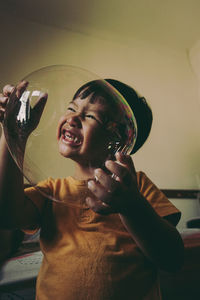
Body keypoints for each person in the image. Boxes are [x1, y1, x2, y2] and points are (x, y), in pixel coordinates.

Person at [0, 79, 184, 300]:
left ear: (119, 139)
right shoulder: (52, 190)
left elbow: (172, 259)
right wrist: (12, 135)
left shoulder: (136, 187)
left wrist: (132, 207)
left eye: (91, 116)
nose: (73, 118)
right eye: (71, 108)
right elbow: (6, 214)